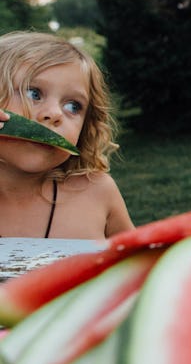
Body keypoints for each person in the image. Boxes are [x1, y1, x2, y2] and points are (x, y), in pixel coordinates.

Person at [0, 31, 134, 239]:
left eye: (73, 106)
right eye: (33, 93)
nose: (55, 114)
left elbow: (140, 264)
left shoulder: (97, 193)